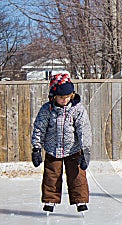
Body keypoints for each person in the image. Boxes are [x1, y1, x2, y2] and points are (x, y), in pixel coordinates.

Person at [31, 73, 92, 213]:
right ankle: (49, 201)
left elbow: (84, 129)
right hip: (53, 150)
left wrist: (86, 150)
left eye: (67, 97)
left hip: (74, 149)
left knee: (77, 176)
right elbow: (39, 128)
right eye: (61, 97)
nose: (64, 100)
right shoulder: (47, 110)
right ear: (53, 96)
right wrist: (36, 148)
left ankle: (80, 201)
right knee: (51, 176)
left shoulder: (77, 109)